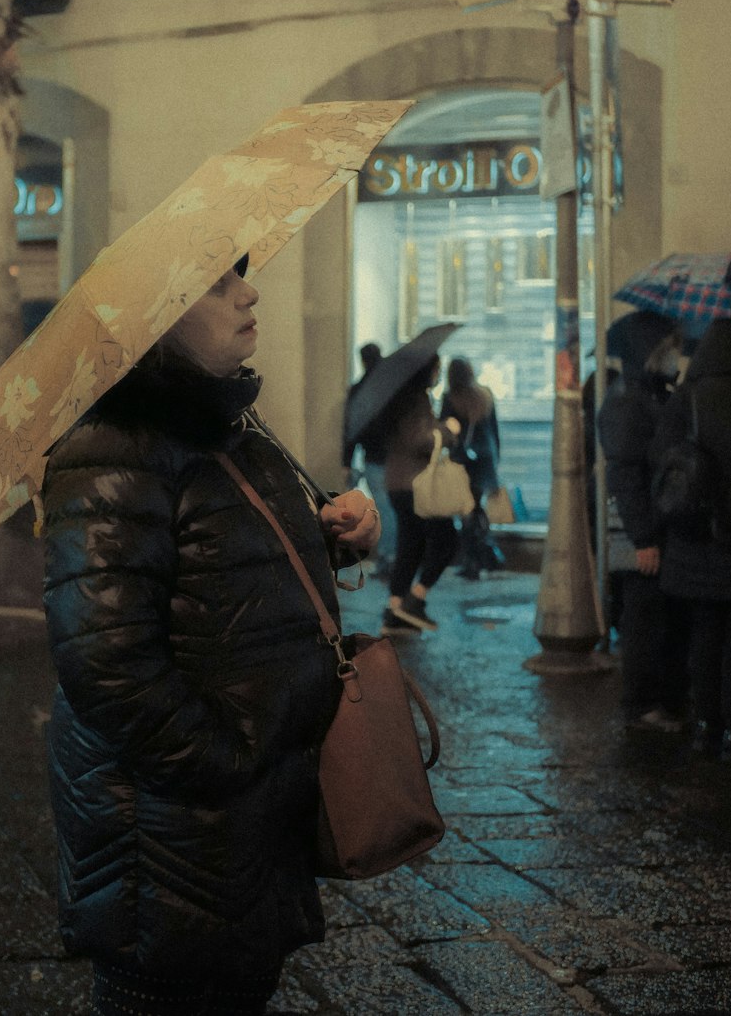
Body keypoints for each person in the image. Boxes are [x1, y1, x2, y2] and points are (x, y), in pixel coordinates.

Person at [40, 255, 380, 1015]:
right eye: (219, 284)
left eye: (242, 276)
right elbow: (104, 658)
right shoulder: (114, 447)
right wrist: (224, 757)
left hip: (238, 831)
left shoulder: (229, 427)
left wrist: (339, 534)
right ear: (156, 320)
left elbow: (224, 563)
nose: (248, 292)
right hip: (169, 846)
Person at [651, 317, 731, 763]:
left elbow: (659, 457)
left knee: (704, 631)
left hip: (697, 535)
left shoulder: (688, 397)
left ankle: (705, 727)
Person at [596, 312, 691, 733]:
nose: (676, 355)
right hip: (644, 532)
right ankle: (641, 704)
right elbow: (626, 474)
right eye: (668, 347)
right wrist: (645, 538)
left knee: (657, 618)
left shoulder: (648, 393)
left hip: (654, 528)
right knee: (644, 620)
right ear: (649, 353)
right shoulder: (627, 401)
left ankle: (656, 701)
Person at [377, 353, 457, 636]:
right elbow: (419, 440)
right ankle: (415, 599)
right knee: (448, 539)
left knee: (411, 544)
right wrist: (447, 430)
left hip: (397, 481)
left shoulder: (400, 398)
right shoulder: (416, 399)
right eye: (437, 368)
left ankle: (395, 610)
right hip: (414, 484)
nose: (439, 374)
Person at [439, 356, 504, 581]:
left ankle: (473, 560)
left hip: (464, 460)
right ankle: (485, 554)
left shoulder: (451, 398)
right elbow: (494, 430)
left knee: (467, 510)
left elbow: (445, 430)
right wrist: (496, 457)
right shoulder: (485, 394)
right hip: (486, 457)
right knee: (476, 506)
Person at [341, 342, 397, 577]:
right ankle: (396, 556)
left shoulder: (358, 390)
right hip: (396, 457)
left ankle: (387, 557)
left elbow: (350, 430)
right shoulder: (393, 387)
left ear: (362, 361)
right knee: (394, 508)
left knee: (383, 508)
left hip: (373, 457)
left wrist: (347, 461)